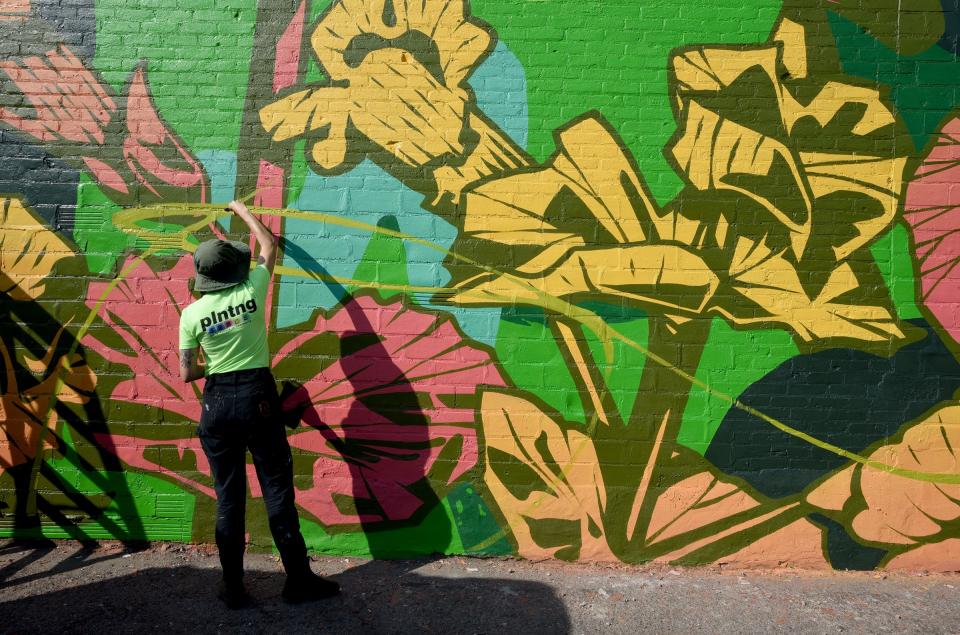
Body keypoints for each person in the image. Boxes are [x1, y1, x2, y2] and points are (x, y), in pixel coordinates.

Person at [178, 200, 339, 608]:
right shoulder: (253, 289)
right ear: (233, 270)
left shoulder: (192, 314)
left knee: (228, 499)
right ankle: (298, 581)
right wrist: (242, 210)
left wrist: (214, 362)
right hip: (258, 400)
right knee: (277, 493)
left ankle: (233, 588)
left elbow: (186, 373)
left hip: (216, 405)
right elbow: (268, 245)